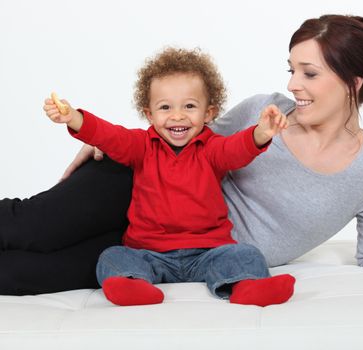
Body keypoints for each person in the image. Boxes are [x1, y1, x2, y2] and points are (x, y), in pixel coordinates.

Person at [0, 14, 363, 296]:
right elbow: (182, 132)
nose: (291, 85)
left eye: (309, 73)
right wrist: (103, 139)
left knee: (24, 277)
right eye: (291, 69)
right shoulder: (265, 110)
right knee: (29, 228)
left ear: (352, 82)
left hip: (192, 252)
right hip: (139, 187)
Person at [42, 47, 294, 307]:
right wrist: (73, 118)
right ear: (149, 114)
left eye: (189, 106)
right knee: (112, 256)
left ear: (208, 113)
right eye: (165, 107)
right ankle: (133, 287)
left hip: (209, 251)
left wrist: (261, 133)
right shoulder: (141, 146)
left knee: (245, 253)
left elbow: (237, 149)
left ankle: (249, 287)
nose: (177, 116)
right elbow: (109, 135)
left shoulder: (212, 149)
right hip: (149, 252)